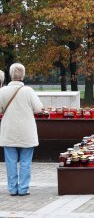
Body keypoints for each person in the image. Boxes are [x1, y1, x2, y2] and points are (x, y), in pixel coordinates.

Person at [0, 63, 42, 196]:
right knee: (25, 161)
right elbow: (39, 108)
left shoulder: (2, 91)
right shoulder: (28, 91)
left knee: (10, 162)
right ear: (23, 75)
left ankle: (12, 189)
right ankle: (23, 188)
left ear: (10, 74)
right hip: (26, 131)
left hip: (9, 130)